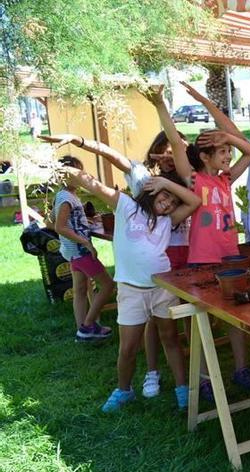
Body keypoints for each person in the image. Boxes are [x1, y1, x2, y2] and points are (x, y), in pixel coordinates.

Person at [58, 166, 199, 413]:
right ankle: (124, 390)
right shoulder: (126, 206)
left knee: (170, 339)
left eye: (172, 202)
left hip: (162, 289)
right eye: (165, 197)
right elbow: (91, 182)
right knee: (128, 348)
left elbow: (194, 200)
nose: (167, 204)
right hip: (131, 291)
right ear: (152, 190)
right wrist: (64, 164)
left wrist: (167, 186)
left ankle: (182, 389)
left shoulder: (168, 221)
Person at [161, 88, 250, 397]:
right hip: (202, 259)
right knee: (200, 321)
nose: (228, 156)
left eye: (228, 152)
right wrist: (160, 105)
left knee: (236, 315)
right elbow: (177, 144)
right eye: (221, 152)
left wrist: (226, 137)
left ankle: (241, 368)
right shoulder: (194, 180)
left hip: (230, 258)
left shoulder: (226, 179)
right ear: (204, 157)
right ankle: (202, 377)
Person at [46, 154, 114, 341]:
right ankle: (88, 325)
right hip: (80, 251)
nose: (81, 176)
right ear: (63, 176)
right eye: (76, 173)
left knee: (80, 290)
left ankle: (81, 330)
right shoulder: (66, 198)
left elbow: (50, 221)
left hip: (72, 251)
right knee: (108, 285)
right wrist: (83, 241)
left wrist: (82, 224)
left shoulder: (64, 195)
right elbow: (59, 226)